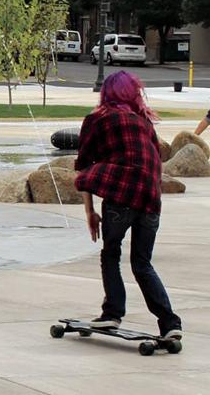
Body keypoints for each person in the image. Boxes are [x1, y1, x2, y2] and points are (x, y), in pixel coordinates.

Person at [74, 70, 182, 341]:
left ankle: (112, 313)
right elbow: (154, 162)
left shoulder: (98, 119)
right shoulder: (145, 123)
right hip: (150, 199)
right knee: (142, 263)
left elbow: (83, 164)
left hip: (122, 196)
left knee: (110, 253)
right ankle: (170, 323)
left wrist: (90, 211)